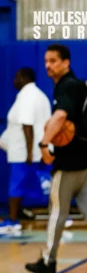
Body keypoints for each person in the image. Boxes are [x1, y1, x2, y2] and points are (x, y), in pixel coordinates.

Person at [25, 44, 87, 273]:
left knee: (57, 212)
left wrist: (44, 144)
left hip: (69, 164)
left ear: (66, 62)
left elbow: (60, 116)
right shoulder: (81, 86)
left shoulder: (65, 87)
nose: (48, 65)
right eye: (46, 61)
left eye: (53, 60)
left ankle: (48, 261)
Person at [1, 68, 52, 234]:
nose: (14, 80)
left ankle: (13, 221)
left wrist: (29, 153)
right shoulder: (37, 94)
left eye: (16, 77)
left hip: (25, 153)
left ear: (23, 78)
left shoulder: (28, 96)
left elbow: (27, 125)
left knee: (16, 186)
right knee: (43, 184)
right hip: (33, 150)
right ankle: (59, 216)